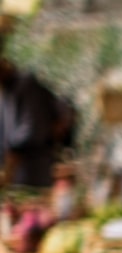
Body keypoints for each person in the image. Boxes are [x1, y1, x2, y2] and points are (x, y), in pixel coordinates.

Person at [0, 56, 72, 188]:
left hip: (32, 172)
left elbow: (32, 129)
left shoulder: (26, 84)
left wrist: (11, 159)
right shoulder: (5, 92)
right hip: (13, 175)